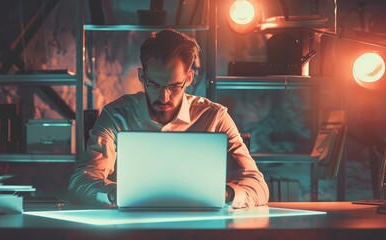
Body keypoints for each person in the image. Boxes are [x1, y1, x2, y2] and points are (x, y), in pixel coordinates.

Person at [68, 29, 269, 208]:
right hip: (131, 228)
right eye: (154, 85)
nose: (164, 97)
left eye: (174, 86)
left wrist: (223, 194)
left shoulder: (215, 117)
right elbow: (80, 182)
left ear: (189, 78)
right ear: (141, 77)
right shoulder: (115, 115)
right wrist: (117, 194)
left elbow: (258, 185)